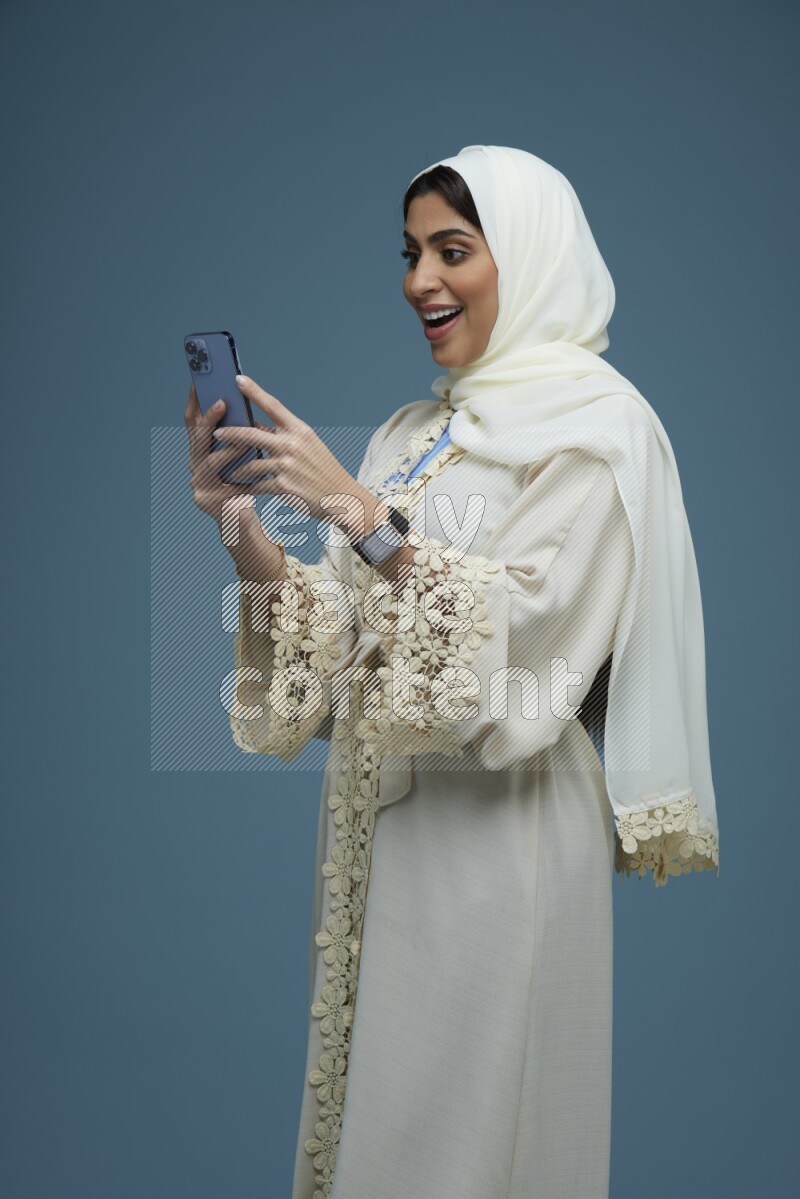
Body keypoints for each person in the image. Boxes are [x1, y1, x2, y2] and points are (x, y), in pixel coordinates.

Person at [184, 145, 720, 1199]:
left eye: (451, 249)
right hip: (385, 830)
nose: (418, 279)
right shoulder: (413, 433)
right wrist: (243, 529)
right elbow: (340, 654)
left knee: (469, 1139)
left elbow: (530, 643)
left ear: (525, 258)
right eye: (410, 251)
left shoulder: (600, 432)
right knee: (377, 1129)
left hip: (502, 835)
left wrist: (362, 515)